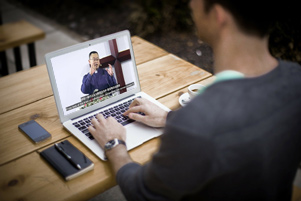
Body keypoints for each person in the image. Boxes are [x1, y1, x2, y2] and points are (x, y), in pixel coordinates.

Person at [88, 0, 301, 200]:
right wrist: (169, 118)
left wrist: (114, 143)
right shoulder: (295, 79)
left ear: (219, 15)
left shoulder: (199, 121)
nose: (190, 3)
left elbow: (142, 193)